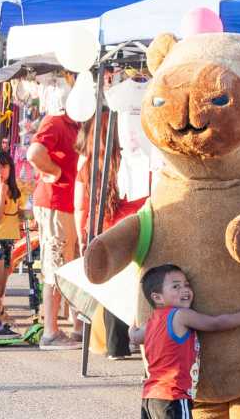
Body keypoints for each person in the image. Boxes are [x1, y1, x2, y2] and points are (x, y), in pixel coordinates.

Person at [129, 264, 240, 419]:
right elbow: (215, 323)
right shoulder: (181, 315)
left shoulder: (151, 323)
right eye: (176, 286)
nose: (185, 290)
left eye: (186, 285)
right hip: (173, 397)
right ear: (157, 298)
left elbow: (135, 337)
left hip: (150, 398)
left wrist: (132, 328)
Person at [74, 116, 145, 360]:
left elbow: (80, 205)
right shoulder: (135, 161)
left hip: (102, 230)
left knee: (112, 288)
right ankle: (136, 338)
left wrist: (82, 235)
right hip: (133, 225)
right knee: (135, 285)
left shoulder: (88, 166)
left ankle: (116, 345)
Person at [27, 112, 84, 350]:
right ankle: (50, 331)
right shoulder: (57, 120)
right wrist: (54, 172)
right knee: (56, 264)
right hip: (56, 202)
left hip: (71, 203)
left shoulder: (77, 122)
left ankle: (77, 326)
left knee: (72, 264)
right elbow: (34, 153)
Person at [0, 150, 32, 339]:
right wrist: (1, 194)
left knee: (1, 287)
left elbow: (20, 213)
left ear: (10, 168)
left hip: (10, 241)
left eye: (3, 166)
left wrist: (32, 216)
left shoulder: (16, 191)